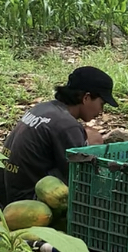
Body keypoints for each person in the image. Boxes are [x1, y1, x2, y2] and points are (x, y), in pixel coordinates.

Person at [1, 66, 118, 208]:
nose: (101, 111)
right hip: (28, 202)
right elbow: (79, 177)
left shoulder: (43, 108)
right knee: (95, 142)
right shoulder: (67, 125)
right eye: (102, 104)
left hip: (7, 194)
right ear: (86, 98)